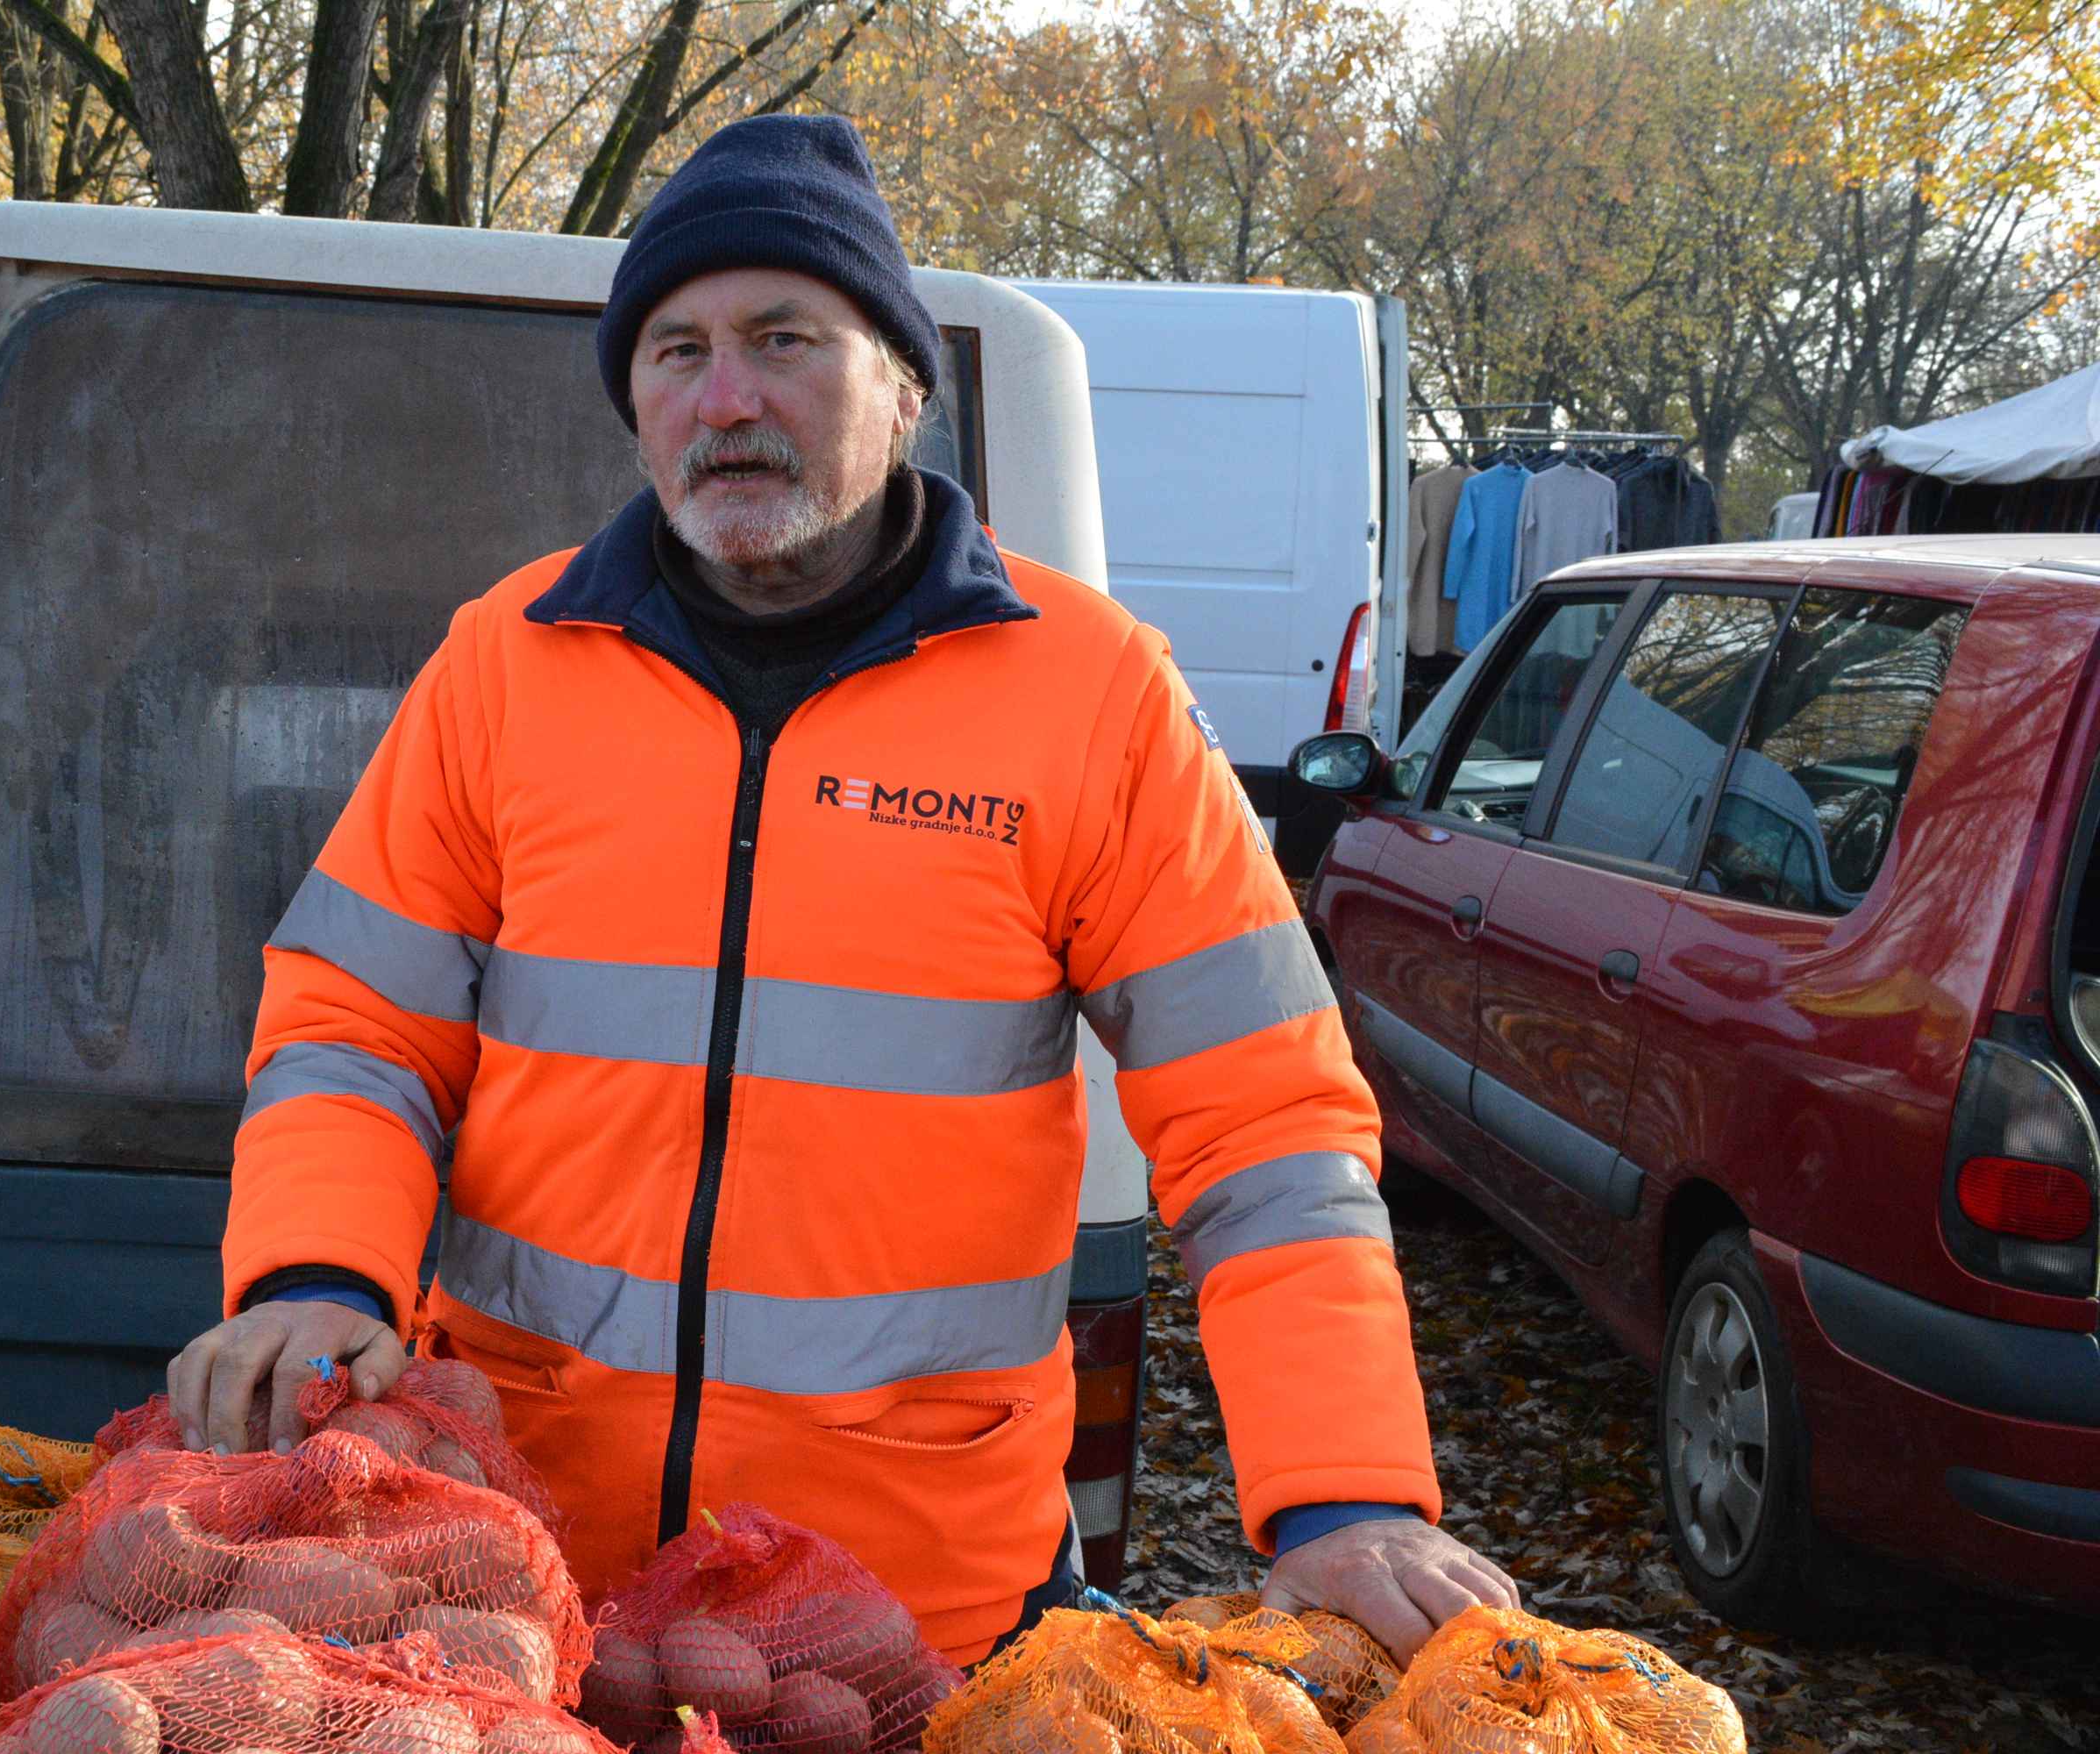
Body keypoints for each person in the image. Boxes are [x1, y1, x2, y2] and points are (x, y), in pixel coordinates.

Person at [169, 113, 1518, 1667]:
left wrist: (1343, 1498)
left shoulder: (1092, 700)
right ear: (634, 407)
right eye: (674, 353)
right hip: (519, 1594)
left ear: (902, 386)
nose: (724, 398)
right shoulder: (506, 663)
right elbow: (355, 1031)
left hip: (910, 1613)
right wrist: (315, 1271)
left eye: (784, 339)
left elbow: (1267, 1125)